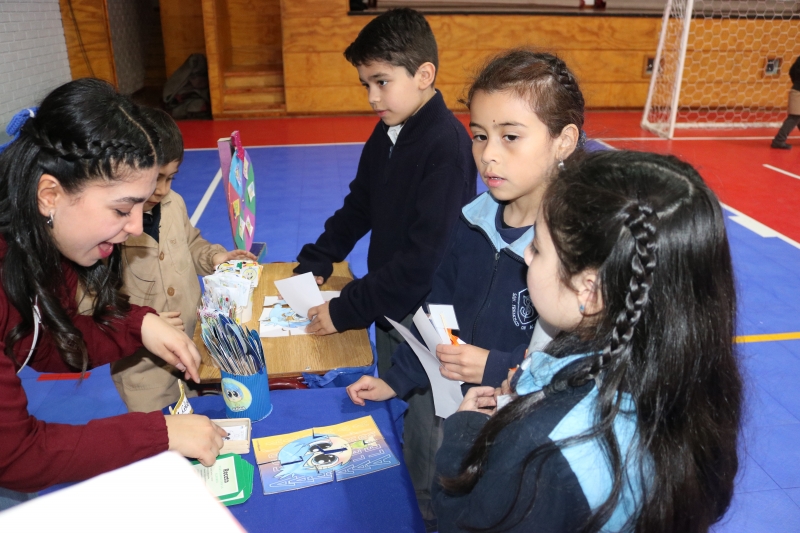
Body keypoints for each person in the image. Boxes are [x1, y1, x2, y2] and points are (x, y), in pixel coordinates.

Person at [430, 150, 743, 533]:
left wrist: (462, 435)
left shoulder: (542, 452)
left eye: (539, 248)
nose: (526, 255)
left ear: (590, 290)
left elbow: (463, 524)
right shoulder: (694, 383)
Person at [346, 49, 585, 522]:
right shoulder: (470, 223)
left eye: (510, 137)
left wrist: (493, 366)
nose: (488, 154)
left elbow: (584, 369)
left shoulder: (576, 251)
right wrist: (398, 381)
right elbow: (439, 322)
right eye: (479, 136)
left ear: (563, 141)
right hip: (457, 416)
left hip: (529, 439)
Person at [0, 79, 227, 507]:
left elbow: (45, 344)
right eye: (122, 209)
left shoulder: (46, 244)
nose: (136, 228)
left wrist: (139, 325)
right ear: (50, 194)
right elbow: (16, 455)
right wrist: (160, 434)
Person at [294, 8, 477, 375]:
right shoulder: (389, 131)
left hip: (431, 318)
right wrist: (320, 256)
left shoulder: (448, 148)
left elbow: (424, 263)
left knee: (427, 421)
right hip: (390, 301)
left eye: (382, 82)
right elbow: (361, 204)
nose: (372, 98)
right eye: (366, 85)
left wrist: (348, 308)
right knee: (396, 401)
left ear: (424, 75)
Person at [87, 107, 256, 413]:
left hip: (198, 347)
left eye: (171, 178)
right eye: (156, 179)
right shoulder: (106, 230)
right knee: (166, 439)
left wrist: (217, 256)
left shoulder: (173, 203)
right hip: (145, 372)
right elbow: (91, 304)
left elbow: (191, 242)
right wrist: (138, 321)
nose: (163, 189)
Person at [771, 55, 800, 149]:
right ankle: (778, 140)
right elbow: (793, 71)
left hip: (797, 89)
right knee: (794, 117)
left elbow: (792, 71)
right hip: (798, 91)